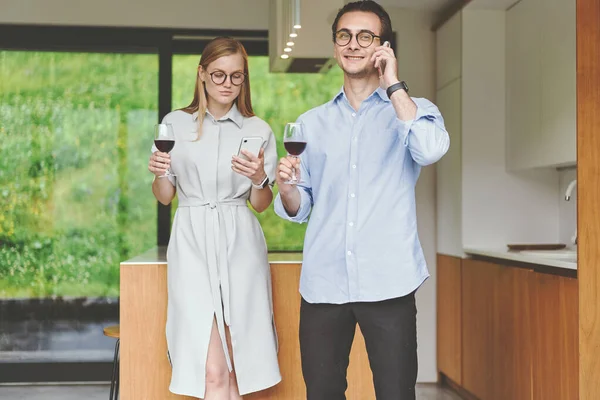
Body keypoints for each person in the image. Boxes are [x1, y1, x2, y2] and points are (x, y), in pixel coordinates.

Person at [274, 1, 450, 399]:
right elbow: (300, 208)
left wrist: (394, 83)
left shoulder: (413, 111)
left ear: (382, 47)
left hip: (388, 281)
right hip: (324, 285)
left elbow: (430, 150)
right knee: (322, 393)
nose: (353, 44)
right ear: (335, 46)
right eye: (344, 36)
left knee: (395, 393)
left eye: (365, 36)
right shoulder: (310, 124)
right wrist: (286, 188)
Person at [148, 37, 281, 399]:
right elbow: (165, 197)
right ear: (202, 74)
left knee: (240, 365)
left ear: (244, 79)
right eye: (219, 74)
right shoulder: (173, 124)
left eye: (236, 76)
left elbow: (262, 203)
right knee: (210, 369)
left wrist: (259, 179)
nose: (227, 83)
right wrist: (160, 172)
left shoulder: (259, 130)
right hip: (191, 240)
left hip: (241, 242)